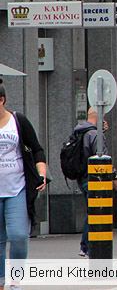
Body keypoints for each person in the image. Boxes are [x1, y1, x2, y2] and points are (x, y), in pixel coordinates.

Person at [0, 82, 47, 290]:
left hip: (16, 188)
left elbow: (37, 150)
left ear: (2, 100)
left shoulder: (18, 121)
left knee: (18, 236)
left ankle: (15, 280)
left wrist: (41, 173)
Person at [73, 108, 117, 257]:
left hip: (81, 178)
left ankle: (85, 246)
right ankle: (87, 247)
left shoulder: (80, 131)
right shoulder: (94, 134)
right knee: (96, 211)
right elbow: (101, 156)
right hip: (94, 178)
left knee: (91, 211)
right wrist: (114, 177)